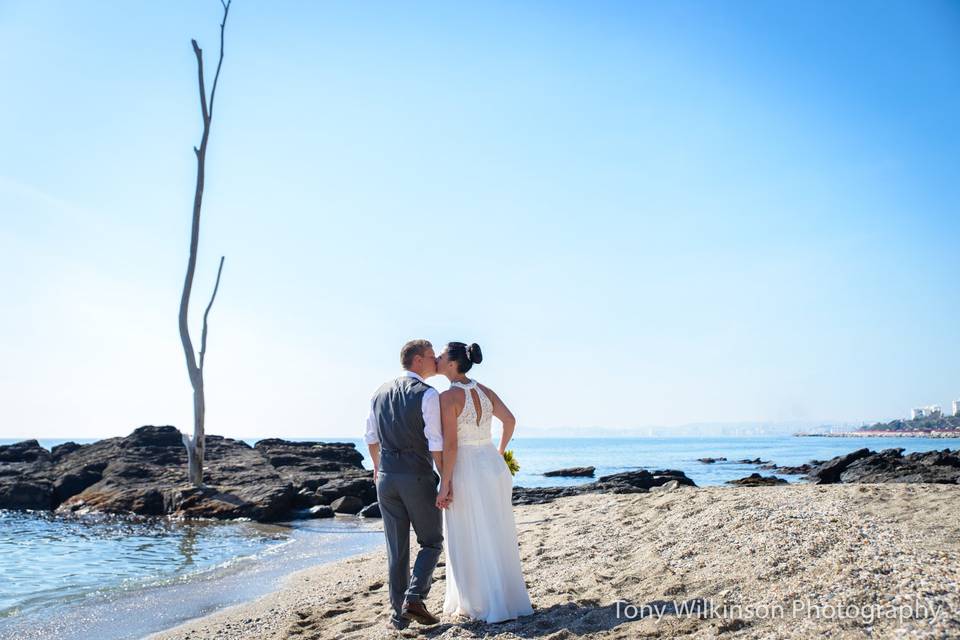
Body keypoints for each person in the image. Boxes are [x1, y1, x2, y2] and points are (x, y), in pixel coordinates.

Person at [435, 341, 534, 623]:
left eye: (441, 356)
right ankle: (505, 598)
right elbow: (510, 421)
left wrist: (445, 481)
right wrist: (498, 452)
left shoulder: (448, 397)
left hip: (466, 467)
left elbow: (451, 445)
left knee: (468, 531)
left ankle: (477, 602)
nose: (438, 360)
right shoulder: (485, 390)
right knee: (496, 530)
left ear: (453, 364)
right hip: (492, 465)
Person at [364, 339, 445, 630]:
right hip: (417, 475)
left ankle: (398, 618)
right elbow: (436, 442)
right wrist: (445, 479)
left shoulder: (379, 392)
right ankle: (414, 598)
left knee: (396, 550)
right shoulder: (428, 394)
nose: (436, 360)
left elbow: (370, 437)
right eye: (432, 356)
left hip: (385, 478)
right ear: (418, 361)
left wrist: (378, 468)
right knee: (432, 541)